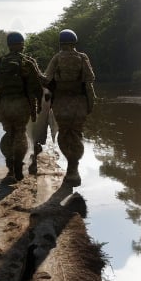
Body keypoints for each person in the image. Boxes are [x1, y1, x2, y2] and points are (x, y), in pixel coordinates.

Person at [0, 31, 44, 181]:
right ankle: (18, 167)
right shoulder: (28, 62)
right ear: (22, 44)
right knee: (20, 133)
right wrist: (39, 104)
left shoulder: (0, 61)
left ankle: (9, 168)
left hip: (4, 105)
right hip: (21, 105)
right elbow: (37, 86)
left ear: (8, 45)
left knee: (9, 134)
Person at [44, 29, 96, 186]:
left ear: (60, 43)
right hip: (79, 103)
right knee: (77, 134)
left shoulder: (57, 57)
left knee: (64, 134)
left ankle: (70, 167)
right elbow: (89, 82)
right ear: (75, 42)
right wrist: (90, 104)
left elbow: (46, 79)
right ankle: (74, 170)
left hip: (61, 103)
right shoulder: (82, 57)